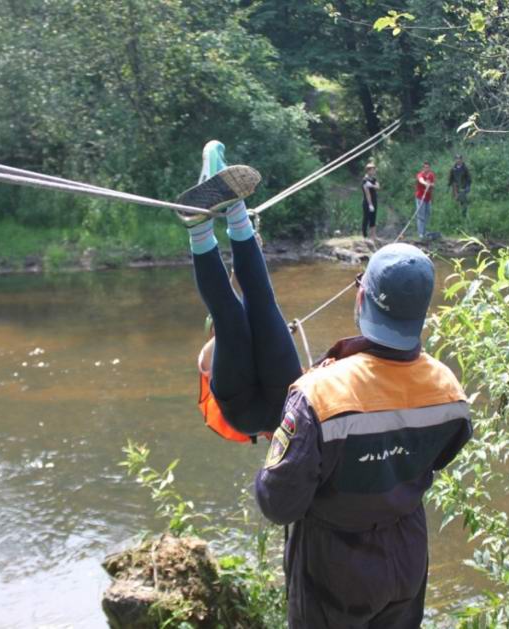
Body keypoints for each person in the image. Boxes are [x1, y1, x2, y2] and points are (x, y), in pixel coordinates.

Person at [254, 242, 473, 628]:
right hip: (407, 551)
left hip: (334, 566)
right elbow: (439, 456)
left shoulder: (317, 394)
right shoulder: (448, 387)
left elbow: (278, 503)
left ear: (361, 297)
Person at [178, 141, 303, 439]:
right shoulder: (262, 428)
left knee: (249, 307)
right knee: (236, 312)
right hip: (251, 411)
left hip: (274, 405)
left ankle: (227, 207)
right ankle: (215, 215)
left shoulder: (294, 427)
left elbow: (207, 362)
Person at [414, 161, 435, 239]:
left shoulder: (431, 175)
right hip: (420, 198)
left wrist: (431, 185)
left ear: (429, 168)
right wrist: (426, 183)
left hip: (428, 198)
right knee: (421, 215)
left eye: (427, 167)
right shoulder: (420, 174)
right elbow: (421, 180)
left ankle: (425, 231)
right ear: (423, 168)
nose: (426, 168)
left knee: (428, 214)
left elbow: (433, 184)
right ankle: (420, 233)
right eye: (425, 167)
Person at [361, 162, 380, 239]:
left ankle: (374, 236)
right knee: (366, 218)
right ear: (368, 171)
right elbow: (367, 193)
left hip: (374, 200)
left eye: (374, 169)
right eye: (373, 170)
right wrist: (370, 204)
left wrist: (372, 185)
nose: (374, 171)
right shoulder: (365, 180)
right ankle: (365, 235)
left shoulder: (373, 179)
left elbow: (378, 187)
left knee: (373, 218)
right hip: (367, 202)